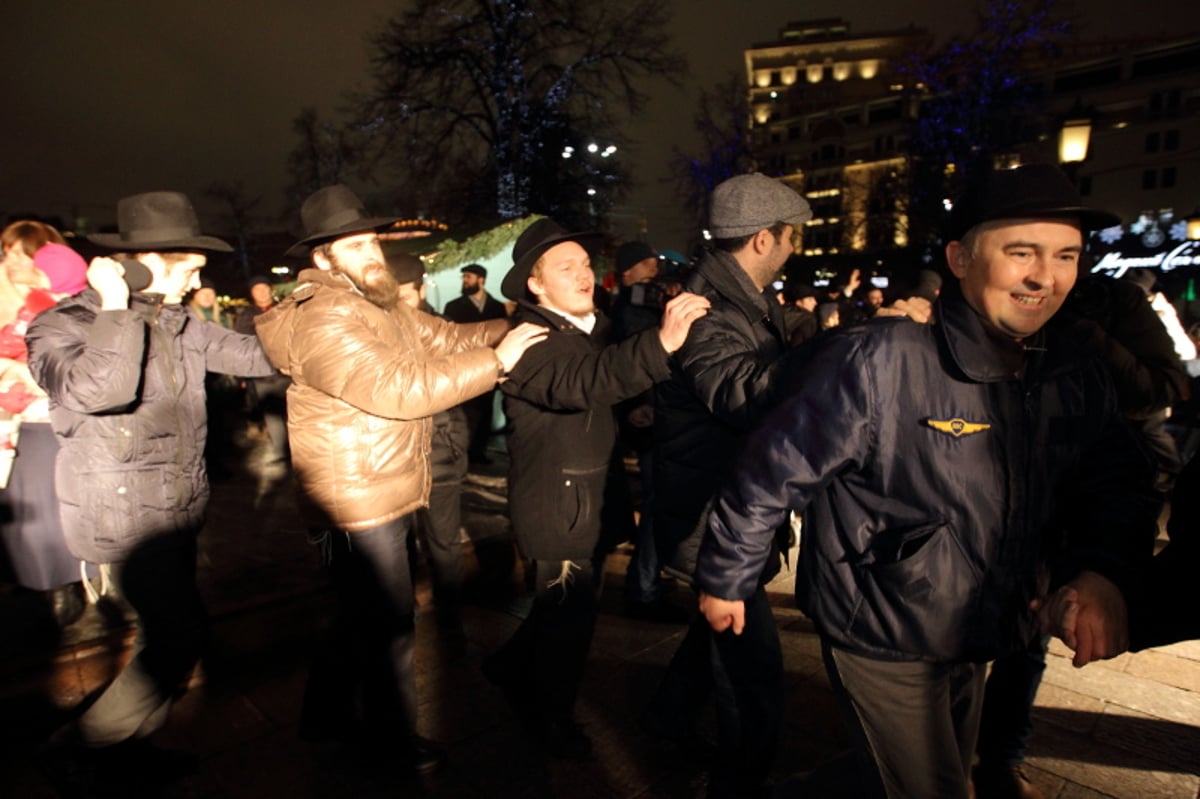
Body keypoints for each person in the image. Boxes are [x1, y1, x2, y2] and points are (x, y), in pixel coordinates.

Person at [695, 163, 1159, 799]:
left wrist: (1101, 570)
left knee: (895, 773)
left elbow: (1119, 480)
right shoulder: (881, 358)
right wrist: (727, 577)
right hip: (882, 627)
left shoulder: (1074, 369)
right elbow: (772, 469)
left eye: (1066, 255)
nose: (1043, 277)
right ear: (961, 259)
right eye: (1021, 252)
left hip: (983, 626)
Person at [253, 185, 546, 774]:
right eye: (355, 245)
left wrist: (508, 324)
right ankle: (390, 745)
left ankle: (324, 717)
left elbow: (442, 338)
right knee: (389, 623)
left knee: (352, 616)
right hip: (355, 500)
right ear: (322, 259)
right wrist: (500, 362)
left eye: (373, 242)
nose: (372, 254)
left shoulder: (375, 304)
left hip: (372, 484)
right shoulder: (327, 315)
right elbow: (398, 390)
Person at [26, 192, 277, 776]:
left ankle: (127, 750)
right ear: (140, 261)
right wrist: (117, 307)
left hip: (177, 509)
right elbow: (97, 391)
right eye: (186, 266)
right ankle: (77, 750)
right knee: (176, 637)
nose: (196, 281)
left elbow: (257, 356)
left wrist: (316, 323)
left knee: (168, 638)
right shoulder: (62, 325)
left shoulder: (179, 322)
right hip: (122, 520)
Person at [481, 218, 709, 759]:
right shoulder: (531, 338)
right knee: (570, 624)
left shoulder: (592, 326)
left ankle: (509, 666)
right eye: (566, 267)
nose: (583, 274)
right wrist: (662, 342)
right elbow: (583, 383)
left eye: (585, 264)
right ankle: (549, 719)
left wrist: (637, 409)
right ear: (536, 284)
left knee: (559, 612)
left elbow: (607, 382)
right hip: (556, 507)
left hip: (589, 497)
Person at [646, 172, 813, 798]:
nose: (793, 247)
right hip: (710, 515)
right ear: (766, 238)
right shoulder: (707, 310)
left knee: (716, 634)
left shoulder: (740, 297)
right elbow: (742, 396)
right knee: (753, 671)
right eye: (790, 237)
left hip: (726, 506)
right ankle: (742, 781)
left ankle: (666, 715)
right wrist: (831, 354)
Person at [0, 227, 92, 627]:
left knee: (45, 513)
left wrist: (17, 371)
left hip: (44, 423)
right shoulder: (6, 302)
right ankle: (24, 578)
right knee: (14, 514)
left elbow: (80, 376)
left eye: (25, 254)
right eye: (8, 253)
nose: (14, 262)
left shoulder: (66, 307)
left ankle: (61, 585)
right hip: (8, 424)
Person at [384, 251, 472, 644]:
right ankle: (406, 613)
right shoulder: (375, 332)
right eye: (395, 296)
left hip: (438, 448)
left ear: (420, 291)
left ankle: (451, 615)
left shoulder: (441, 330)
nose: (403, 304)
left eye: (408, 295)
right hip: (394, 455)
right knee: (400, 542)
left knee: (444, 541)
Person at [443, 263, 508, 465]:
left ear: (481, 280)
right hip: (465, 368)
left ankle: (478, 452)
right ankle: (462, 454)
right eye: (464, 277)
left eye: (469, 277)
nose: (465, 281)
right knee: (466, 412)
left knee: (486, 410)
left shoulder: (497, 307)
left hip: (490, 367)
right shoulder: (453, 307)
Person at [236, 276, 289, 469]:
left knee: (294, 413)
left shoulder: (284, 308)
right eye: (256, 289)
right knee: (273, 414)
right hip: (262, 374)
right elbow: (241, 345)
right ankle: (282, 452)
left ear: (270, 289)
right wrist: (244, 374)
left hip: (288, 371)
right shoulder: (247, 315)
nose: (261, 293)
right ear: (251, 294)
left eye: (264, 288)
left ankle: (301, 451)